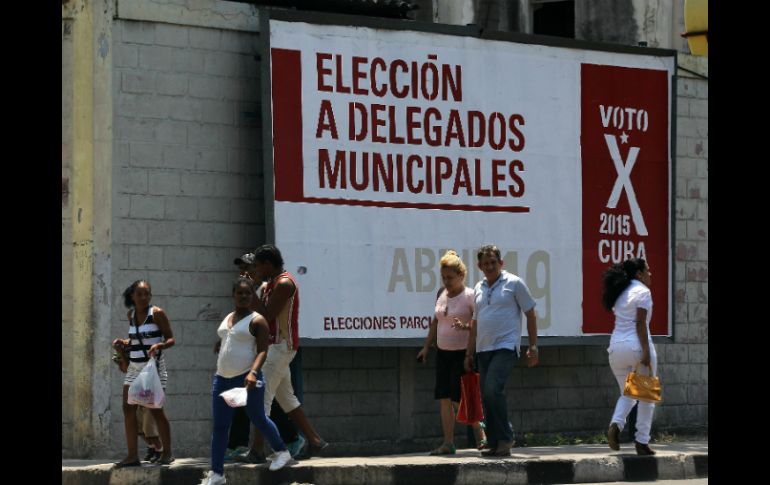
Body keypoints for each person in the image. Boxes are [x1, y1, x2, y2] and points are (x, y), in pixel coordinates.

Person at [200, 277, 292, 485]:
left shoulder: (258, 320)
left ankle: (282, 451)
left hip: (247, 378)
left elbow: (262, 351)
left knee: (258, 418)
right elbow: (231, 336)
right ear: (233, 295)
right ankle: (217, 474)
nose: (243, 296)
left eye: (247, 293)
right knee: (220, 427)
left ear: (253, 296)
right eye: (239, 293)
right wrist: (221, 344)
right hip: (222, 378)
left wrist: (253, 373)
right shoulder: (229, 317)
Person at [248, 244, 329, 460]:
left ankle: (257, 450)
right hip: (274, 347)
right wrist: (253, 286)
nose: (256, 270)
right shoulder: (271, 284)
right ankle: (316, 442)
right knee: (287, 399)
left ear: (268, 264)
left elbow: (267, 315)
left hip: (280, 346)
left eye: (258, 266)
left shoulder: (284, 283)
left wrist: (250, 290)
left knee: (260, 398)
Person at [464, 245, 538, 457]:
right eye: (485, 264)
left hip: (505, 346)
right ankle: (494, 442)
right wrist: (469, 353)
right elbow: (475, 323)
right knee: (487, 396)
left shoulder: (514, 283)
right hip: (483, 349)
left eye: (493, 262)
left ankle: (505, 437)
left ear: (501, 263)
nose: (489, 266)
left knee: (492, 389)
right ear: (479, 266)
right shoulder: (478, 287)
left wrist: (533, 346)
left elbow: (531, 313)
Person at [417, 250, 486, 455]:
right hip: (443, 353)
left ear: (461, 275)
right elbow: (436, 321)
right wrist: (426, 346)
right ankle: (448, 443)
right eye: (444, 277)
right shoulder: (441, 294)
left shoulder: (470, 295)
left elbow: (478, 324)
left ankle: (480, 431)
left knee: (460, 398)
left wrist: (465, 327)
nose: (446, 282)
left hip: (462, 354)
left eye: (450, 278)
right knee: (444, 397)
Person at [113, 280, 175, 467]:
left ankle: (167, 453)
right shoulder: (131, 315)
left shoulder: (157, 313)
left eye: (147, 294)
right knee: (127, 407)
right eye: (139, 294)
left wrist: (160, 345)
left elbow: (171, 339)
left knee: (155, 410)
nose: (143, 297)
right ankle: (132, 456)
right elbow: (136, 339)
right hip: (134, 367)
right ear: (132, 296)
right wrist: (123, 343)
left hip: (152, 368)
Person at [601, 258, 658, 456]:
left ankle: (616, 424)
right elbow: (640, 323)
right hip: (636, 347)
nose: (650, 274)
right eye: (647, 270)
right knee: (647, 398)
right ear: (639, 274)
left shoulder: (620, 292)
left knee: (629, 394)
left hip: (616, 349)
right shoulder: (643, 292)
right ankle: (642, 441)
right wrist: (646, 352)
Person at [112, 340, 164, 463]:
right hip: (138, 395)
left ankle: (160, 450)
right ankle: (153, 447)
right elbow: (125, 369)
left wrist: (122, 353)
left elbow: (127, 368)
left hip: (148, 394)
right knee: (139, 429)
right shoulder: (131, 352)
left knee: (149, 430)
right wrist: (121, 353)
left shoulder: (141, 353)